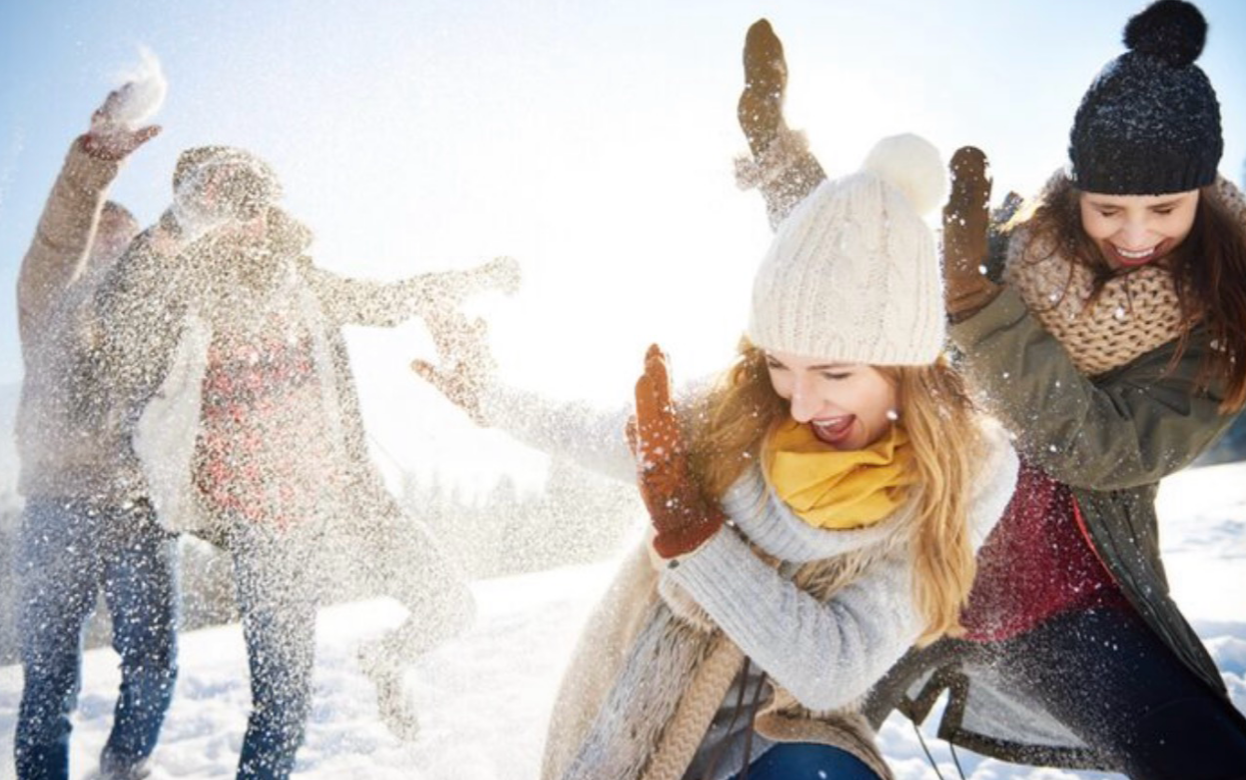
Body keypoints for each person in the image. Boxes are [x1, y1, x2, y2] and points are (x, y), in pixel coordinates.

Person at [732, 5, 1246, 776]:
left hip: (1063, 608)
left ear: (1202, 195)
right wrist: (774, 147)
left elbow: (1102, 451)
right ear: (1075, 193)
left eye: (1164, 211)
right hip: (905, 587)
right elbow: (852, 270)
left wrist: (978, 311)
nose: (1135, 236)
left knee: (1204, 756)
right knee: (783, 756)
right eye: (1109, 209)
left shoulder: (1218, 323)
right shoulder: (1004, 251)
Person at [414, 134, 1019, 780]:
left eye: (836, 373)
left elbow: (833, 668)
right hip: (652, 713)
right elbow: (587, 430)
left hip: (788, 737)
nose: (804, 402)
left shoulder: (967, 470)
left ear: (907, 367)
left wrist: (693, 536)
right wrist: (487, 396)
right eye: (781, 364)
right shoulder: (736, 413)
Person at [90, 145, 512, 778]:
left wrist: (471, 279)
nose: (246, 221)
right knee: (282, 709)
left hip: (347, 499)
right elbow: (117, 316)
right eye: (225, 206)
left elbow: (386, 300)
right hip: (265, 530)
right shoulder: (177, 298)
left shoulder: (301, 277)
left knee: (451, 605)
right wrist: (178, 223)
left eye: (255, 204)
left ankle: (384, 659)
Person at [13, 84, 173, 780]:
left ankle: (125, 767)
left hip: (138, 507)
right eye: (101, 241)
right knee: (50, 670)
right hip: (57, 502)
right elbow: (58, 238)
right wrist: (91, 169)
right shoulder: (50, 298)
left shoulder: (152, 321)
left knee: (155, 658)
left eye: (125, 246)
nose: (111, 255)